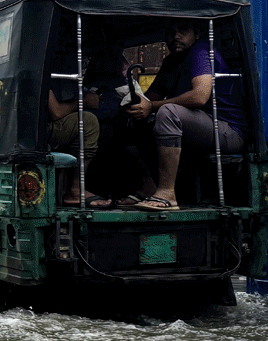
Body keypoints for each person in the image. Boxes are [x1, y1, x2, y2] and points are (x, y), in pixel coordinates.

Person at [121, 20, 246, 210]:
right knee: (136, 119)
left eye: (183, 30)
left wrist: (152, 106)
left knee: (168, 113)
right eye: (171, 32)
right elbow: (149, 99)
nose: (176, 36)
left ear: (196, 34)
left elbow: (199, 96)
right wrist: (133, 103)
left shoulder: (201, 51)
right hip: (199, 127)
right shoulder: (171, 61)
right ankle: (149, 186)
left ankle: (167, 194)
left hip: (228, 130)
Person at [47, 49, 108, 208]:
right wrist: (83, 101)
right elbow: (56, 112)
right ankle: (74, 190)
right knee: (88, 122)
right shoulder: (37, 65)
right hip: (37, 131)